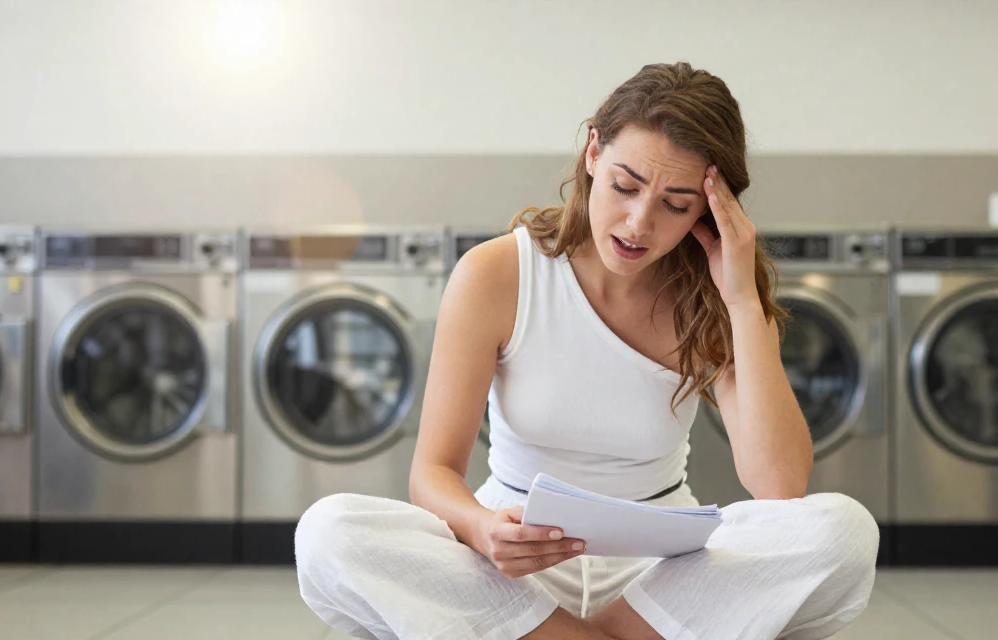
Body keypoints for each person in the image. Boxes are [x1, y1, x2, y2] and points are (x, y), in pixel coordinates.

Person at [295, 61, 879, 640]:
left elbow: (779, 487)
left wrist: (744, 302)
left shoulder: (718, 297)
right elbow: (433, 473)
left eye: (676, 204)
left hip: (660, 576)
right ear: (593, 154)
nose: (639, 223)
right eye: (626, 186)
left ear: (710, 209)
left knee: (845, 531)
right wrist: (481, 529)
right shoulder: (497, 274)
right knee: (329, 531)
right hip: (512, 564)